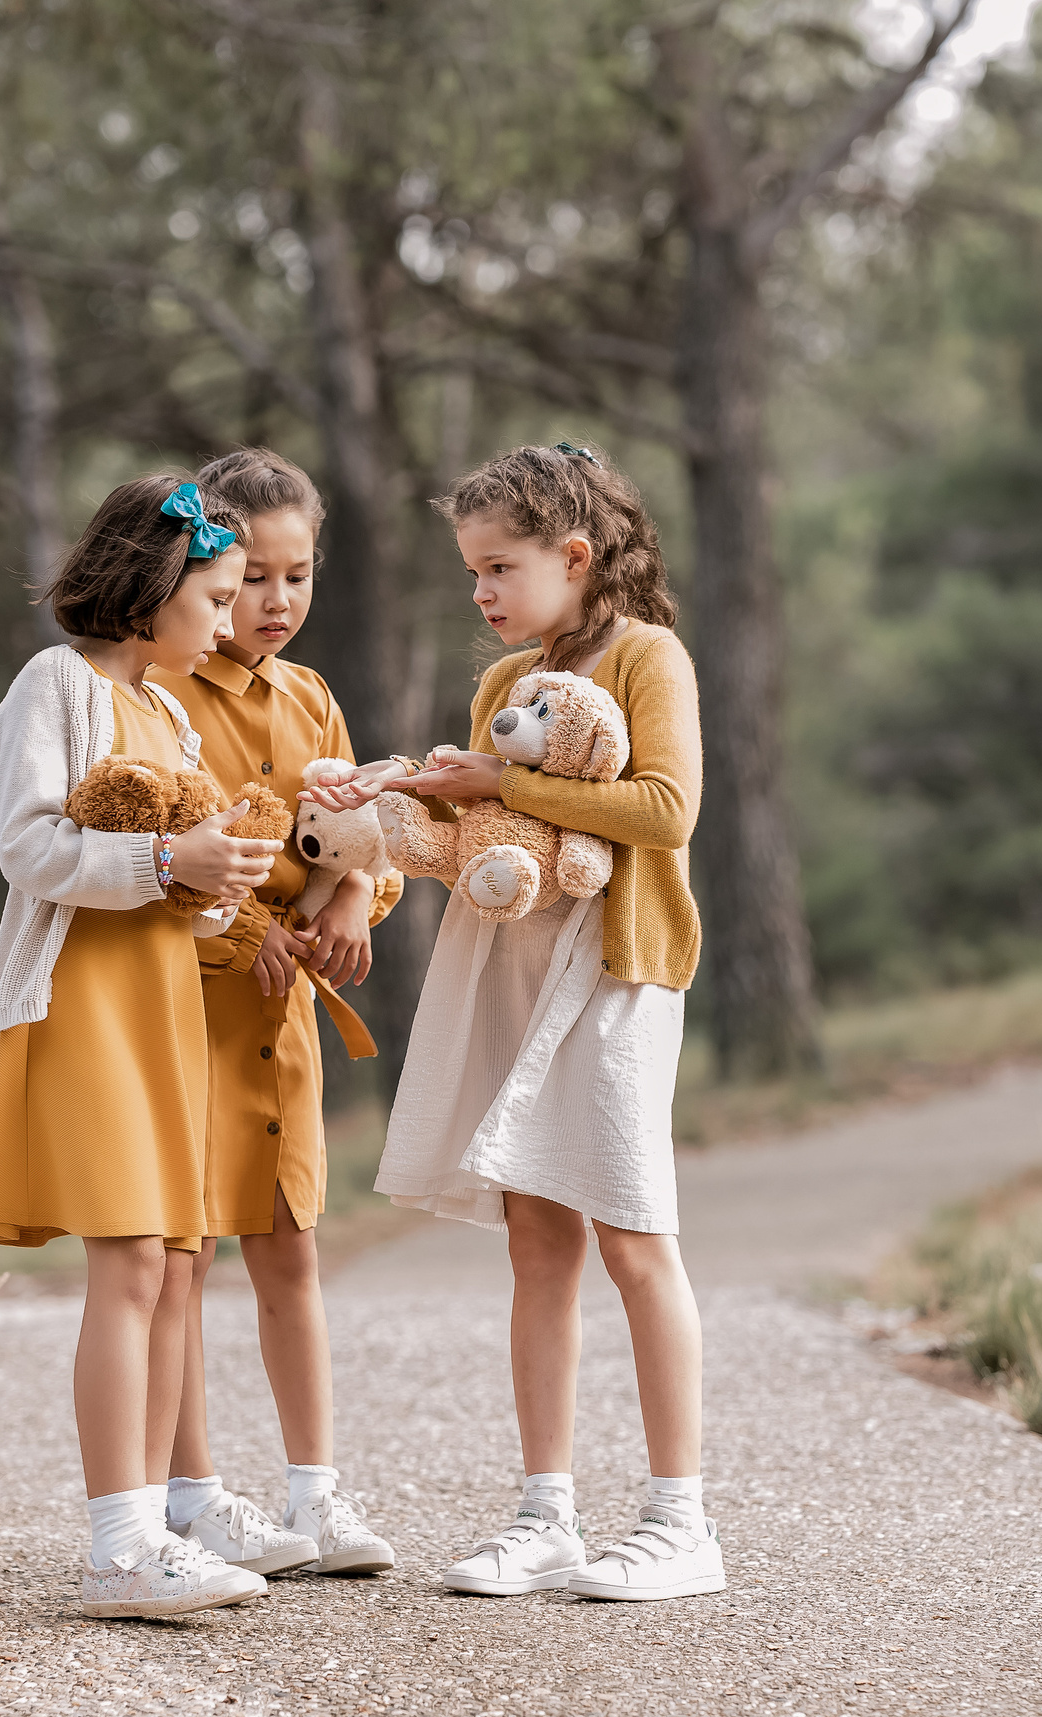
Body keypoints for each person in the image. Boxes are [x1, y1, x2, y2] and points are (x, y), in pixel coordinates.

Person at [302, 441, 720, 1602]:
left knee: (635, 1237)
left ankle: (681, 1523)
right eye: (471, 573)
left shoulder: (649, 658)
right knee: (539, 1246)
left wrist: (493, 783)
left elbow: (663, 808)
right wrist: (387, 801)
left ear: (574, 556)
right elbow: (487, 843)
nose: (480, 593)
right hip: (515, 970)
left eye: (498, 568)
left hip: (615, 974)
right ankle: (546, 1518)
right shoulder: (505, 688)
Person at [0, 474, 284, 1620]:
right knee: (133, 1260)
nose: (232, 621)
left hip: (160, 1007)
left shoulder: (173, 712)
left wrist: (214, 879)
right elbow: (30, 850)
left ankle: (149, 1532)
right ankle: (116, 1547)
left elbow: (174, 883)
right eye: (219, 596)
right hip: (87, 1005)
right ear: (151, 588)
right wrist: (161, 869)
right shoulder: (57, 686)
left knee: (179, 1264)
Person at [153, 447, 402, 1578]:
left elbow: (365, 834)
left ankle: (317, 1498)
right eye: (252, 577)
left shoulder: (312, 699)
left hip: (283, 1031)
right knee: (182, 1257)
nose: (278, 601)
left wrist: (354, 896)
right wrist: (249, 924)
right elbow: (162, 846)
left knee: (290, 1253)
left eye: (297, 576)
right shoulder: (162, 692)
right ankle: (192, 1497)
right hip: (189, 1016)